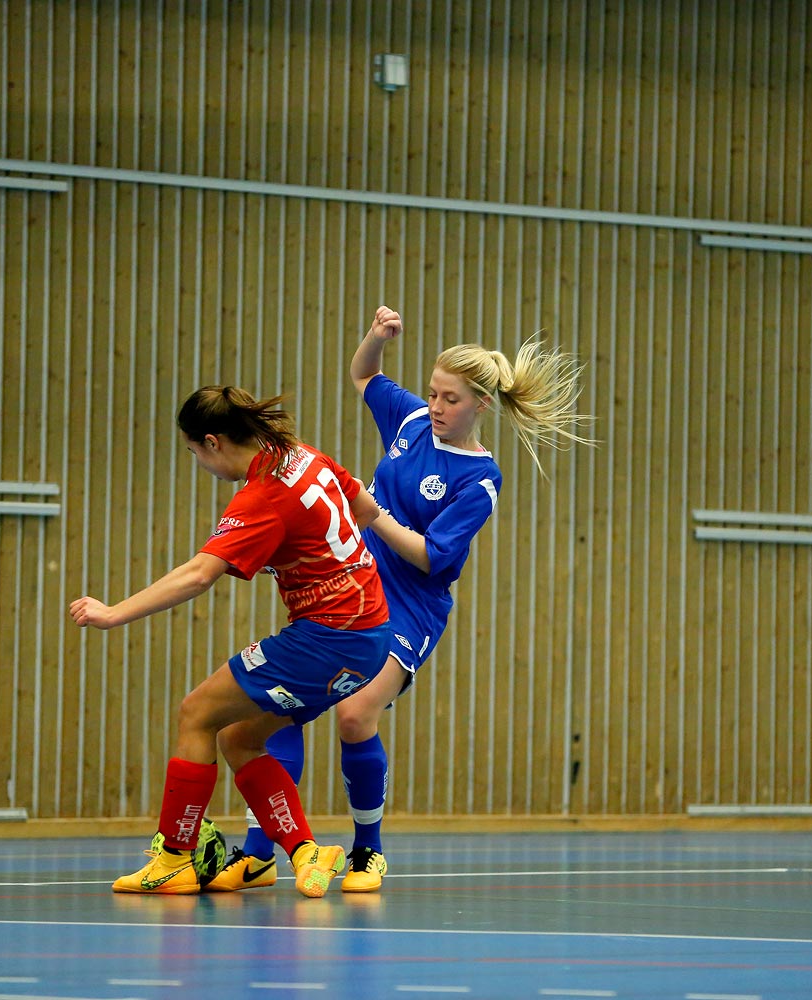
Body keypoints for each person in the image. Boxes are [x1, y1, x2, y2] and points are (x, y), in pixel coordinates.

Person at [209, 305, 593, 894]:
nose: (436, 406)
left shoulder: (479, 478)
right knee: (278, 707)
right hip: (348, 586)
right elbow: (365, 377)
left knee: (354, 714)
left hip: (409, 607)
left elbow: (434, 558)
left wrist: (374, 515)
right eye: (434, 393)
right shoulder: (413, 421)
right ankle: (261, 851)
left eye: (451, 400)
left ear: (481, 406)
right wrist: (376, 337)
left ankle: (368, 850)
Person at [69, 385, 391, 898]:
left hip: (327, 638)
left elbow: (199, 575)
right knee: (238, 735)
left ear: (213, 442)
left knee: (196, 712)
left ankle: (173, 858)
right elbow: (367, 510)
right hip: (371, 638)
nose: (198, 461)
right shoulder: (305, 456)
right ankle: (307, 852)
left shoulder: (262, 497)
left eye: (194, 451)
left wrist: (113, 614)